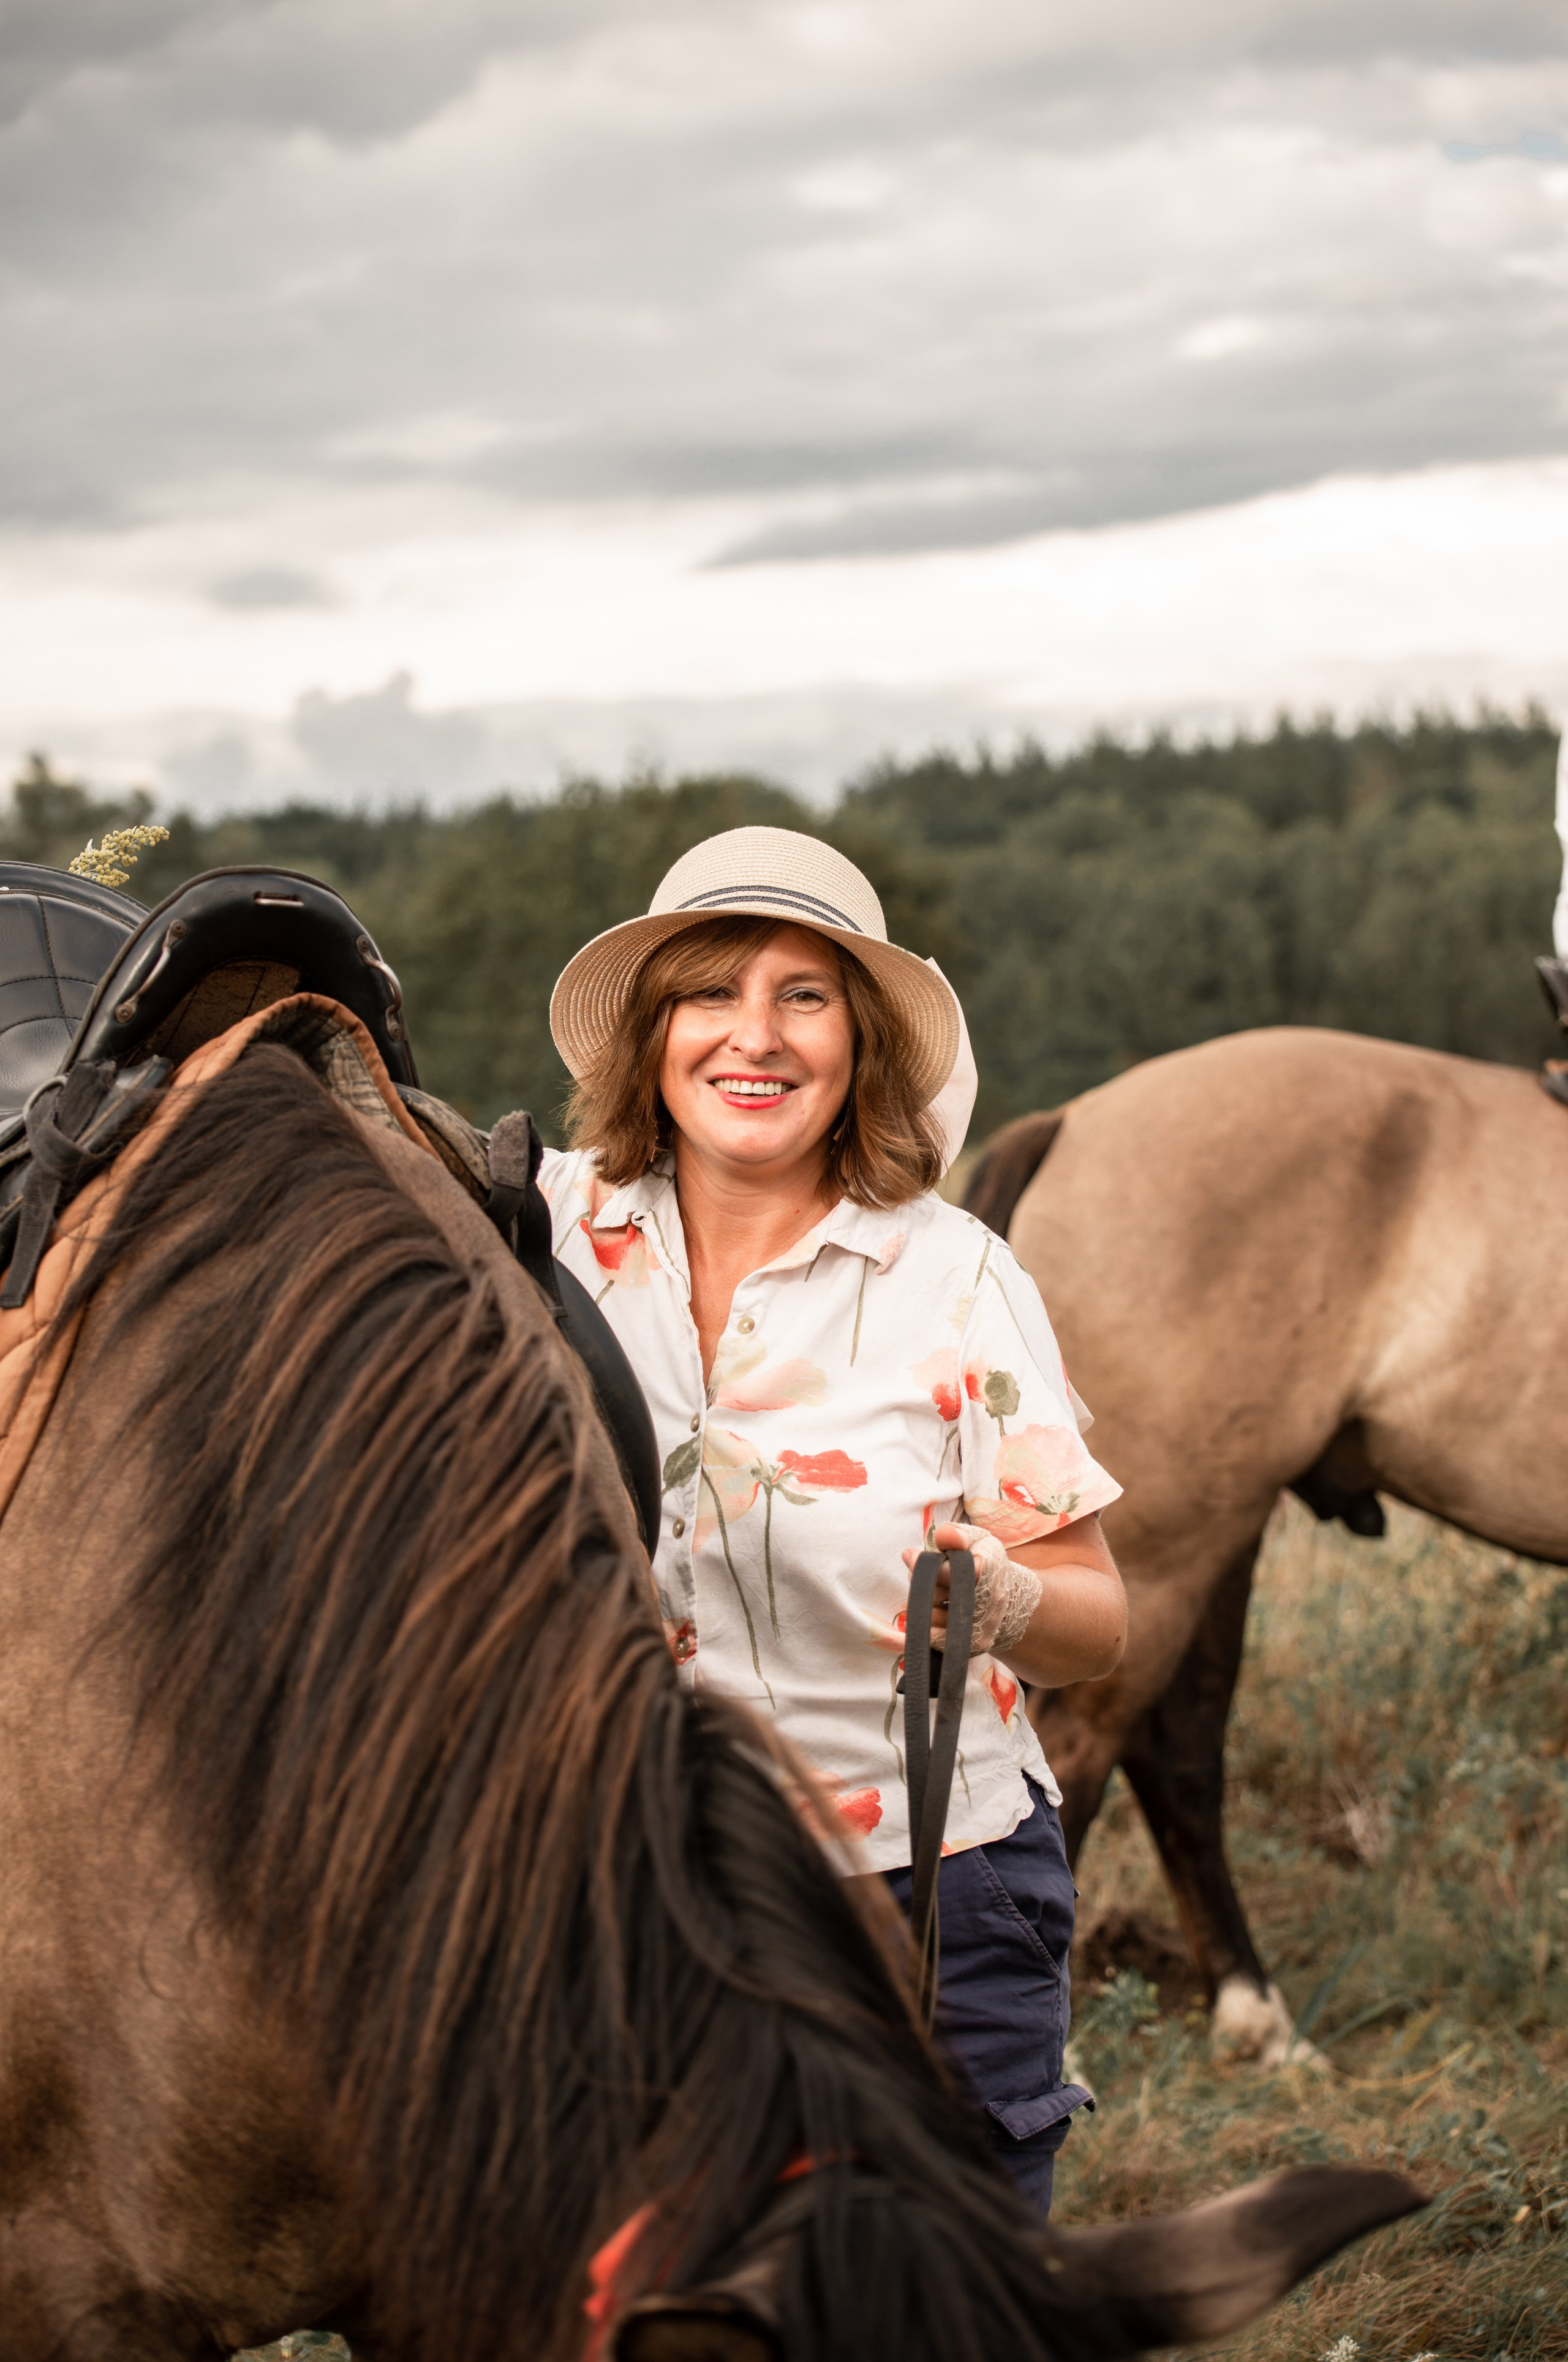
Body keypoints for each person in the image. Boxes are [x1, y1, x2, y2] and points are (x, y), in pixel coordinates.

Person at [541, 826, 1126, 2210]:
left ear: (857, 1041)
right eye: (709, 993)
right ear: (651, 1030)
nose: (756, 1035)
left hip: (924, 1890)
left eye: (803, 995)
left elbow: (1097, 1621)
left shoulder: (954, 1276)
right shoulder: (545, 1236)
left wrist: (1010, 1596)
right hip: (622, 1886)